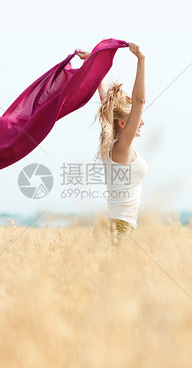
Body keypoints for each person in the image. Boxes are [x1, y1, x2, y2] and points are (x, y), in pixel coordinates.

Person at [76, 42, 148, 238]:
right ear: (123, 124)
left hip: (113, 226)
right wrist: (141, 59)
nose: (141, 122)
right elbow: (140, 101)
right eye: (136, 119)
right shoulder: (122, 148)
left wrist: (93, 61)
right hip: (118, 228)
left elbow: (106, 100)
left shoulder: (114, 146)